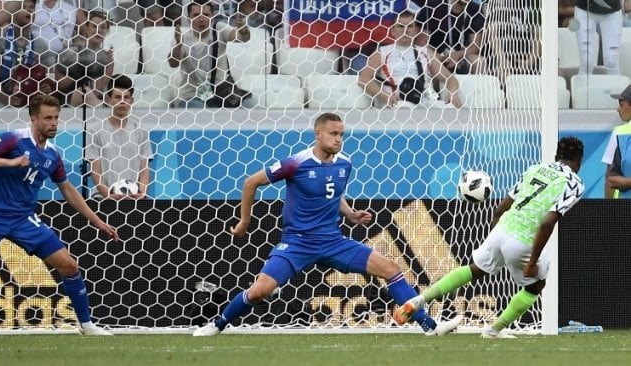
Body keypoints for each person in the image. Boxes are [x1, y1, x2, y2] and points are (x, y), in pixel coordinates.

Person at [193, 112, 463, 336]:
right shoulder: (295, 163)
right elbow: (251, 182)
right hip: (297, 242)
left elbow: (333, 194)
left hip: (333, 241)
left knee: (391, 269)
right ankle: (217, 325)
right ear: (318, 134)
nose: (339, 139)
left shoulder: (345, 163)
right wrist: (244, 221)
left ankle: (429, 326)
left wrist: (351, 214)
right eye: (333, 134)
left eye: (342, 134)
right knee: (260, 291)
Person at [393, 136, 585, 338]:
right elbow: (547, 223)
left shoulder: (535, 168)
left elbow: (501, 207)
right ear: (579, 161)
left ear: (556, 156)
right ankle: (493, 331)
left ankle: (419, 300)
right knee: (536, 285)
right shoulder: (574, 183)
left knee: (473, 270)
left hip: (503, 227)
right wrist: (531, 261)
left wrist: (496, 235)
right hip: (524, 239)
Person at [0, 94, 118, 335]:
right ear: (34, 119)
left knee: (69, 265)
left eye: (56, 118)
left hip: (24, 219)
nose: (53, 123)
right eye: (48, 118)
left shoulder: (52, 154)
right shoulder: (14, 139)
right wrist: (10, 163)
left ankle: (87, 326)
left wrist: (98, 222)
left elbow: (68, 190)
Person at [358, 10, 462, 108]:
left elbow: (449, 78)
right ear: (392, 31)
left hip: (425, 100)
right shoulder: (382, 52)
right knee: (405, 107)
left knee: (451, 109)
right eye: (401, 26)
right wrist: (385, 96)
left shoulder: (426, 52)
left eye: (410, 26)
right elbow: (364, 79)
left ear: (416, 31)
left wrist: (453, 94)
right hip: (398, 102)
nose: (405, 30)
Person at [168, 0, 251, 108]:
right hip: (192, 97)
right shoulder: (181, 38)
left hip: (219, 95)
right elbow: (173, 63)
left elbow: (241, 38)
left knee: (249, 108)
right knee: (201, 112)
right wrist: (178, 45)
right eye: (196, 15)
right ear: (188, 19)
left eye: (206, 15)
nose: (201, 19)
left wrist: (243, 30)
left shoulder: (219, 29)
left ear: (212, 17)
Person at [86, 74, 152, 200]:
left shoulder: (141, 131)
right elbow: (95, 170)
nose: (122, 101)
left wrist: (141, 193)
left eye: (126, 97)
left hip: (134, 199)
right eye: (117, 97)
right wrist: (109, 196)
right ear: (108, 99)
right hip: (103, 199)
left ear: (131, 101)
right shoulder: (95, 130)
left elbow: (144, 169)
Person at [0, 0, 55, 107]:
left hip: (32, 99)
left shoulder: (41, 45)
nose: (29, 9)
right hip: (1, 98)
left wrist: (46, 87)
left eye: (32, 7)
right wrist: (6, 99)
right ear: (12, 14)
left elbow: (45, 77)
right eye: (23, 7)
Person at [54, 8, 112, 106]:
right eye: (94, 26)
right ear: (87, 28)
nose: (99, 30)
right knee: (83, 92)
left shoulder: (107, 59)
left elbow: (97, 91)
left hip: (92, 102)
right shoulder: (71, 51)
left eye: (103, 27)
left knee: (87, 92)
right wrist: (81, 65)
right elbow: (60, 85)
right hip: (69, 101)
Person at [416, 0, 485, 74]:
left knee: (479, 61)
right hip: (436, 55)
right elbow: (421, 42)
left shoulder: (474, 9)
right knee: (432, 60)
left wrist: (457, 55)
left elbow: (474, 46)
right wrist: (440, 57)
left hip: (461, 56)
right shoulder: (434, 5)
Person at [574, 0, 629, 75]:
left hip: (613, 10)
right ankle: (582, 86)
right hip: (584, 9)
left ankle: (615, 86)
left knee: (612, 61)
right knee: (586, 61)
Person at [602, 85, 631, 198]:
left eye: (621, 105)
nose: (618, 109)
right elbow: (611, 180)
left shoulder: (619, 133)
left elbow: (609, 179)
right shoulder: (619, 133)